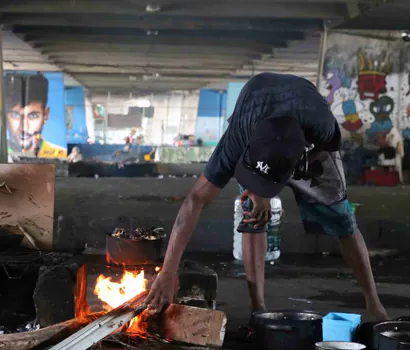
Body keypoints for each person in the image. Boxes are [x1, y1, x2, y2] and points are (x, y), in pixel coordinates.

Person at [146, 73, 389, 322]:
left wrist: (273, 184)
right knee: (252, 211)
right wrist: (167, 271)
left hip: (309, 141)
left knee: (341, 218)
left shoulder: (322, 125)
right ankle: (259, 309)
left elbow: (323, 152)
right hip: (258, 110)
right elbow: (195, 199)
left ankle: (374, 303)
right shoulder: (237, 139)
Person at [5, 74, 66, 158]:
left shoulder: (60, 155)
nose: (24, 127)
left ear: (46, 115)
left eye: (33, 116)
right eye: (15, 115)